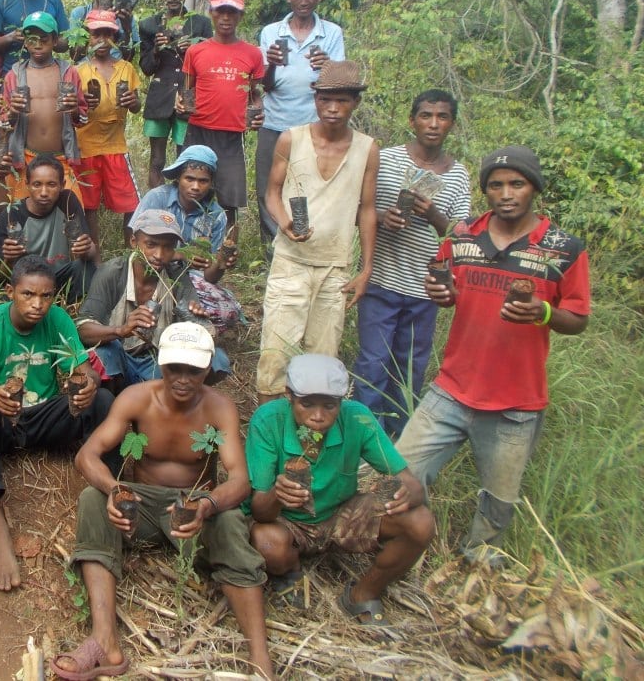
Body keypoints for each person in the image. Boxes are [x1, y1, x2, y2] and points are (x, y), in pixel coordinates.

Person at [397, 146, 590, 567]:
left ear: (533, 188)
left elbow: (577, 318)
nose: (506, 193)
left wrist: (543, 312)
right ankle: (405, 546)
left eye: (516, 184)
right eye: (495, 185)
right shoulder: (463, 235)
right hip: (451, 389)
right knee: (402, 474)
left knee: (497, 503)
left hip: (515, 404)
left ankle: (475, 571)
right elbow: (445, 286)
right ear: (484, 190)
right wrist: (442, 294)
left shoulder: (562, 249)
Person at [60, 322, 273, 681]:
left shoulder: (219, 408)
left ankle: (260, 659)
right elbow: (88, 456)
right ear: (160, 363)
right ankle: (104, 639)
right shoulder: (137, 397)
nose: (183, 378)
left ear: (209, 368)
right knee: (92, 499)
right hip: (139, 506)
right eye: (175, 367)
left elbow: (240, 481)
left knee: (233, 520)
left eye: (194, 369)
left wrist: (207, 505)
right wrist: (115, 490)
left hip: (193, 510)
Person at [246, 355, 435, 626]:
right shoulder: (268, 421)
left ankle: (365, 592)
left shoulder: (357, 418)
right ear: (289, 396)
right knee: (268, 543)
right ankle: (290, 572)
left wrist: (401, 494)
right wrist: (278, 494)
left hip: (340, 514)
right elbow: (260, 511)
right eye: (307, 404)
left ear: (342, 402)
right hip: (287, 521)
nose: (318, 416)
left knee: (420, 523)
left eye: (330, 406)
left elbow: (410, 483)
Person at [0, 256, 114, 592]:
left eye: (46, 296)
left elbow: (82, 368)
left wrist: (88, 383)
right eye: (28, 294)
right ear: (9, 293)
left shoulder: (58, 320)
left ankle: (108, 483)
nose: (38, 304)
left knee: (102, 401)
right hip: (4, 420)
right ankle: (0, 537)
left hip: (44, 416)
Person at [256, 61, 378, 403]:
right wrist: (285, 222)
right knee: (275, 356)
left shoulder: (367, 149)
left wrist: (365, 269)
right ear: (315, 99)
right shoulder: (291, 139)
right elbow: (272, 193)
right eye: (326, 100)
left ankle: (309, 440)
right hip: (290, 261)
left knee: (322, 360)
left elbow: (366, 210)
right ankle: (269, 436)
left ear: (355, 102)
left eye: (342, 100)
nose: (333, 108)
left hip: (335, 268)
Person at [352, 90, 471, 434]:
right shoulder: (385, 159)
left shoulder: (458, 174)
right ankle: (363, 439)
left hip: (425, 290)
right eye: (426, 116)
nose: (433, 124)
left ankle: (398, 441)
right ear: (412, 120)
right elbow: (359, 208)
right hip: (381, 281)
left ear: (452, 123)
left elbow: (462, 236)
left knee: (410, 368)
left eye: (442, 117)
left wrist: (433, 214)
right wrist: (381, 219)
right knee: (373, 361)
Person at [77, 209, 228, 391]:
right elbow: (83, 329)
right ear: (134, 242)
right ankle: (115, 402)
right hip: (121, 361)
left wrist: (199, 325)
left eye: (168, 247)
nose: (159, 254)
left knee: (217, 359)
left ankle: (172, 404)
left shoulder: (176, 275)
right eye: (151, 245)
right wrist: (120, 330)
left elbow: (203, 337)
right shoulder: (112, 273)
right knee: (106, 353)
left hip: (159, 363)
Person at [256, 0, 346, 244]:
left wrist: (327, 65)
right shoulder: (272, 32)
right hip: (274, 122)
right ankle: (273, 247)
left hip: (312, 125)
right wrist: (270, 63)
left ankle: (307, 239)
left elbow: (338, 85)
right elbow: (265, 85)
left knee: (307, 185)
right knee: (267, 187)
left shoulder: (331, 33)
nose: (304, 1)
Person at [177, 0, 266, 229]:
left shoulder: (253, 54)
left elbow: (254, 93)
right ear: (212, 13)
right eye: (221, 11)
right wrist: (180, 103)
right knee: (190, 194)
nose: (226, 17)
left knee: (228, 199)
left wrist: (258, 109)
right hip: (198, 130)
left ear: (241, 16)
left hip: (231, 135)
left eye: (232, 12)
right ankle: (185, 247)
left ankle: (225, 255)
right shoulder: (196, 51)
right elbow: (186, 89)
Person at [131, 146, 244, 330]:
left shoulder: (216, 215)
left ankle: (180, 321)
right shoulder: (157, 198)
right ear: (178, 178)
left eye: (203, 181)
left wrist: (221, 263)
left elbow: (209, 276)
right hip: (152, 270)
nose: (196, 187)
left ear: (211, 182)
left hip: (191, 280)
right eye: (189, 179)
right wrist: (181, 255)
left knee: (226, 314)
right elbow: (136, 250)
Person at [0, 11, 88, 200]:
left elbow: (83, 118)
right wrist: (13, 112)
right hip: (26, 160)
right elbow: (3, 123)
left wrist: (73, 110)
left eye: (44, 39)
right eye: (32, 39)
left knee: (71, 210)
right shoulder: (14, 75)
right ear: (25, 41)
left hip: (61, 159)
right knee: (22, 215)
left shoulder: (68, 73)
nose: (38, 45)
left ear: (55, 40)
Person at [139, 0, 212, 187]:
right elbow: (146, 68)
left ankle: (183, 206)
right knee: (157, 160)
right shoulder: (149, 25)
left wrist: (191, 49)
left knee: (186, 158)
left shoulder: (200, 24)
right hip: (159, 96)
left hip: (187, 97)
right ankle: (156, 210)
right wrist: (156, 50)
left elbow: (207, 65)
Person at [75, 9, 142, 248]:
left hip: (116, 146)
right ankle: (95, 254)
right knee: (89, 205)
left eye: (107, 34)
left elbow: (136, 105)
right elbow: (72, 113)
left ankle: (130, 250)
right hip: (86, 147)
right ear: (87, 37)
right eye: (96, 34)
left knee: (130, 202)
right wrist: (82, 105)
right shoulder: (79, 71)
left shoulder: (126, 68)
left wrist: (133, 103)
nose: (101, 40)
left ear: (114, 36)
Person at [0, 155, 96, 303]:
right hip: (28, 284)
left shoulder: (67, 202)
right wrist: (9, 259)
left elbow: (89, 250)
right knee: (6, 297)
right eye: (37, 184)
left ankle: (81, 318)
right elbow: (1, 275)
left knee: (84, 267)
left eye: (51, 185)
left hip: (60, 279)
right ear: (27, 184)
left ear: (62, 185)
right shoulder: (12, 214)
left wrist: (86, 248)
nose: (43, 192)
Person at [69, 0, 139, 61]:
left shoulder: (124, 16)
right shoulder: (80, 14)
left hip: (116, 72)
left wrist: (127, 30)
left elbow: (129, 57)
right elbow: (74, 56)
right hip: (86, 72)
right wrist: (89, 25)